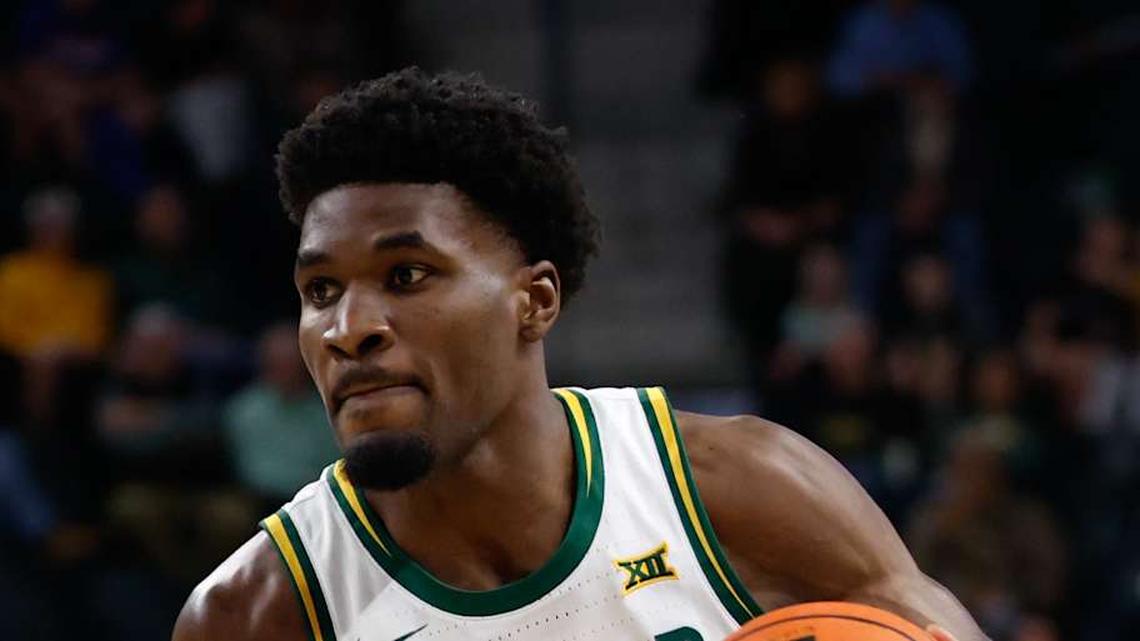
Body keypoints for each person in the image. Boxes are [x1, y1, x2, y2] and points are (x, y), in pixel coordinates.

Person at [173, 69, 987, 641]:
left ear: (536, 300)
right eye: (320, 291)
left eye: (406, 274)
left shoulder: (740, 489)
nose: (350, 326)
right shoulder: (258, 613)